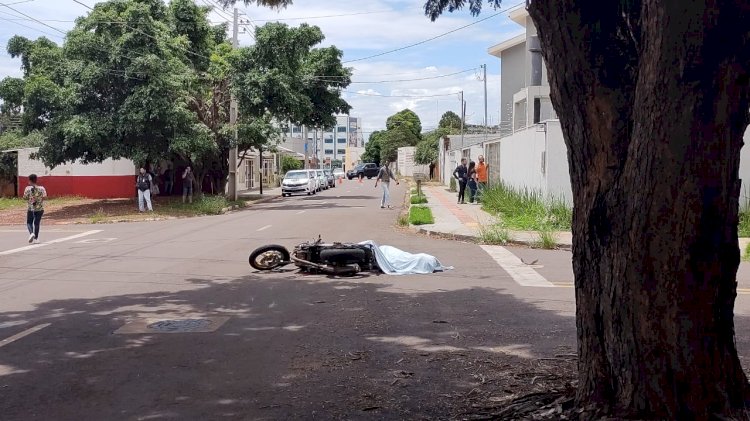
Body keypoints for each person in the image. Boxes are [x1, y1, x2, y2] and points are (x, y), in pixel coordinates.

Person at [22, 174, 46, 243]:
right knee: (37, 223)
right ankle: (36, 238)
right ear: (36, 180)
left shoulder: (27, 188)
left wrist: (31, 199)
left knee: (29, 222)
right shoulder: (42, 188)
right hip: (40, 208)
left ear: (30, 180)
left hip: (31, 208)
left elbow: (24, 197)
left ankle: (31, 233)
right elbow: (44, 197)